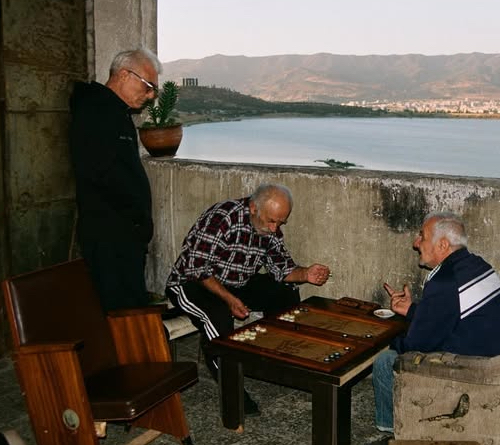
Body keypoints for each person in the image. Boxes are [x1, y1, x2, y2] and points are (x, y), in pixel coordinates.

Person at [165, 183, 331, 415]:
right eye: (272, 221)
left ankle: (278, 361)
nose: (275, 229)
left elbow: (281, 268)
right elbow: (197, 268)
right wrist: (229, 299)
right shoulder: (223, 218)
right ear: (253, 208)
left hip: (236, 283)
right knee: (219, 319)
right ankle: (234, 392)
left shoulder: (268, 229)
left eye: (280, 223)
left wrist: (306, 274)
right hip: (193, 283)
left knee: (285, 291)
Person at [372, 211, 500, 434]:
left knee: (385, 361)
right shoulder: (476, 264)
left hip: (479, 372)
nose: (416, 243)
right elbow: (452, 314)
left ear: (443, 245)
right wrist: (413, 311)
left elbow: (417, 344)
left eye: (422, 236)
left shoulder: (446, 279)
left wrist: (386, 340)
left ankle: (393, 430)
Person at [69, 48, 161, 311]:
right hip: (111, 236)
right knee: (122, 313)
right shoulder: (96, 112)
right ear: (124, 74)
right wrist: (135, 217)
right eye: (148, 86)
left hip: (123, 235)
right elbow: (101, 174)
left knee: (128, 308)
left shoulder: (116, 113)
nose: (151, 95)